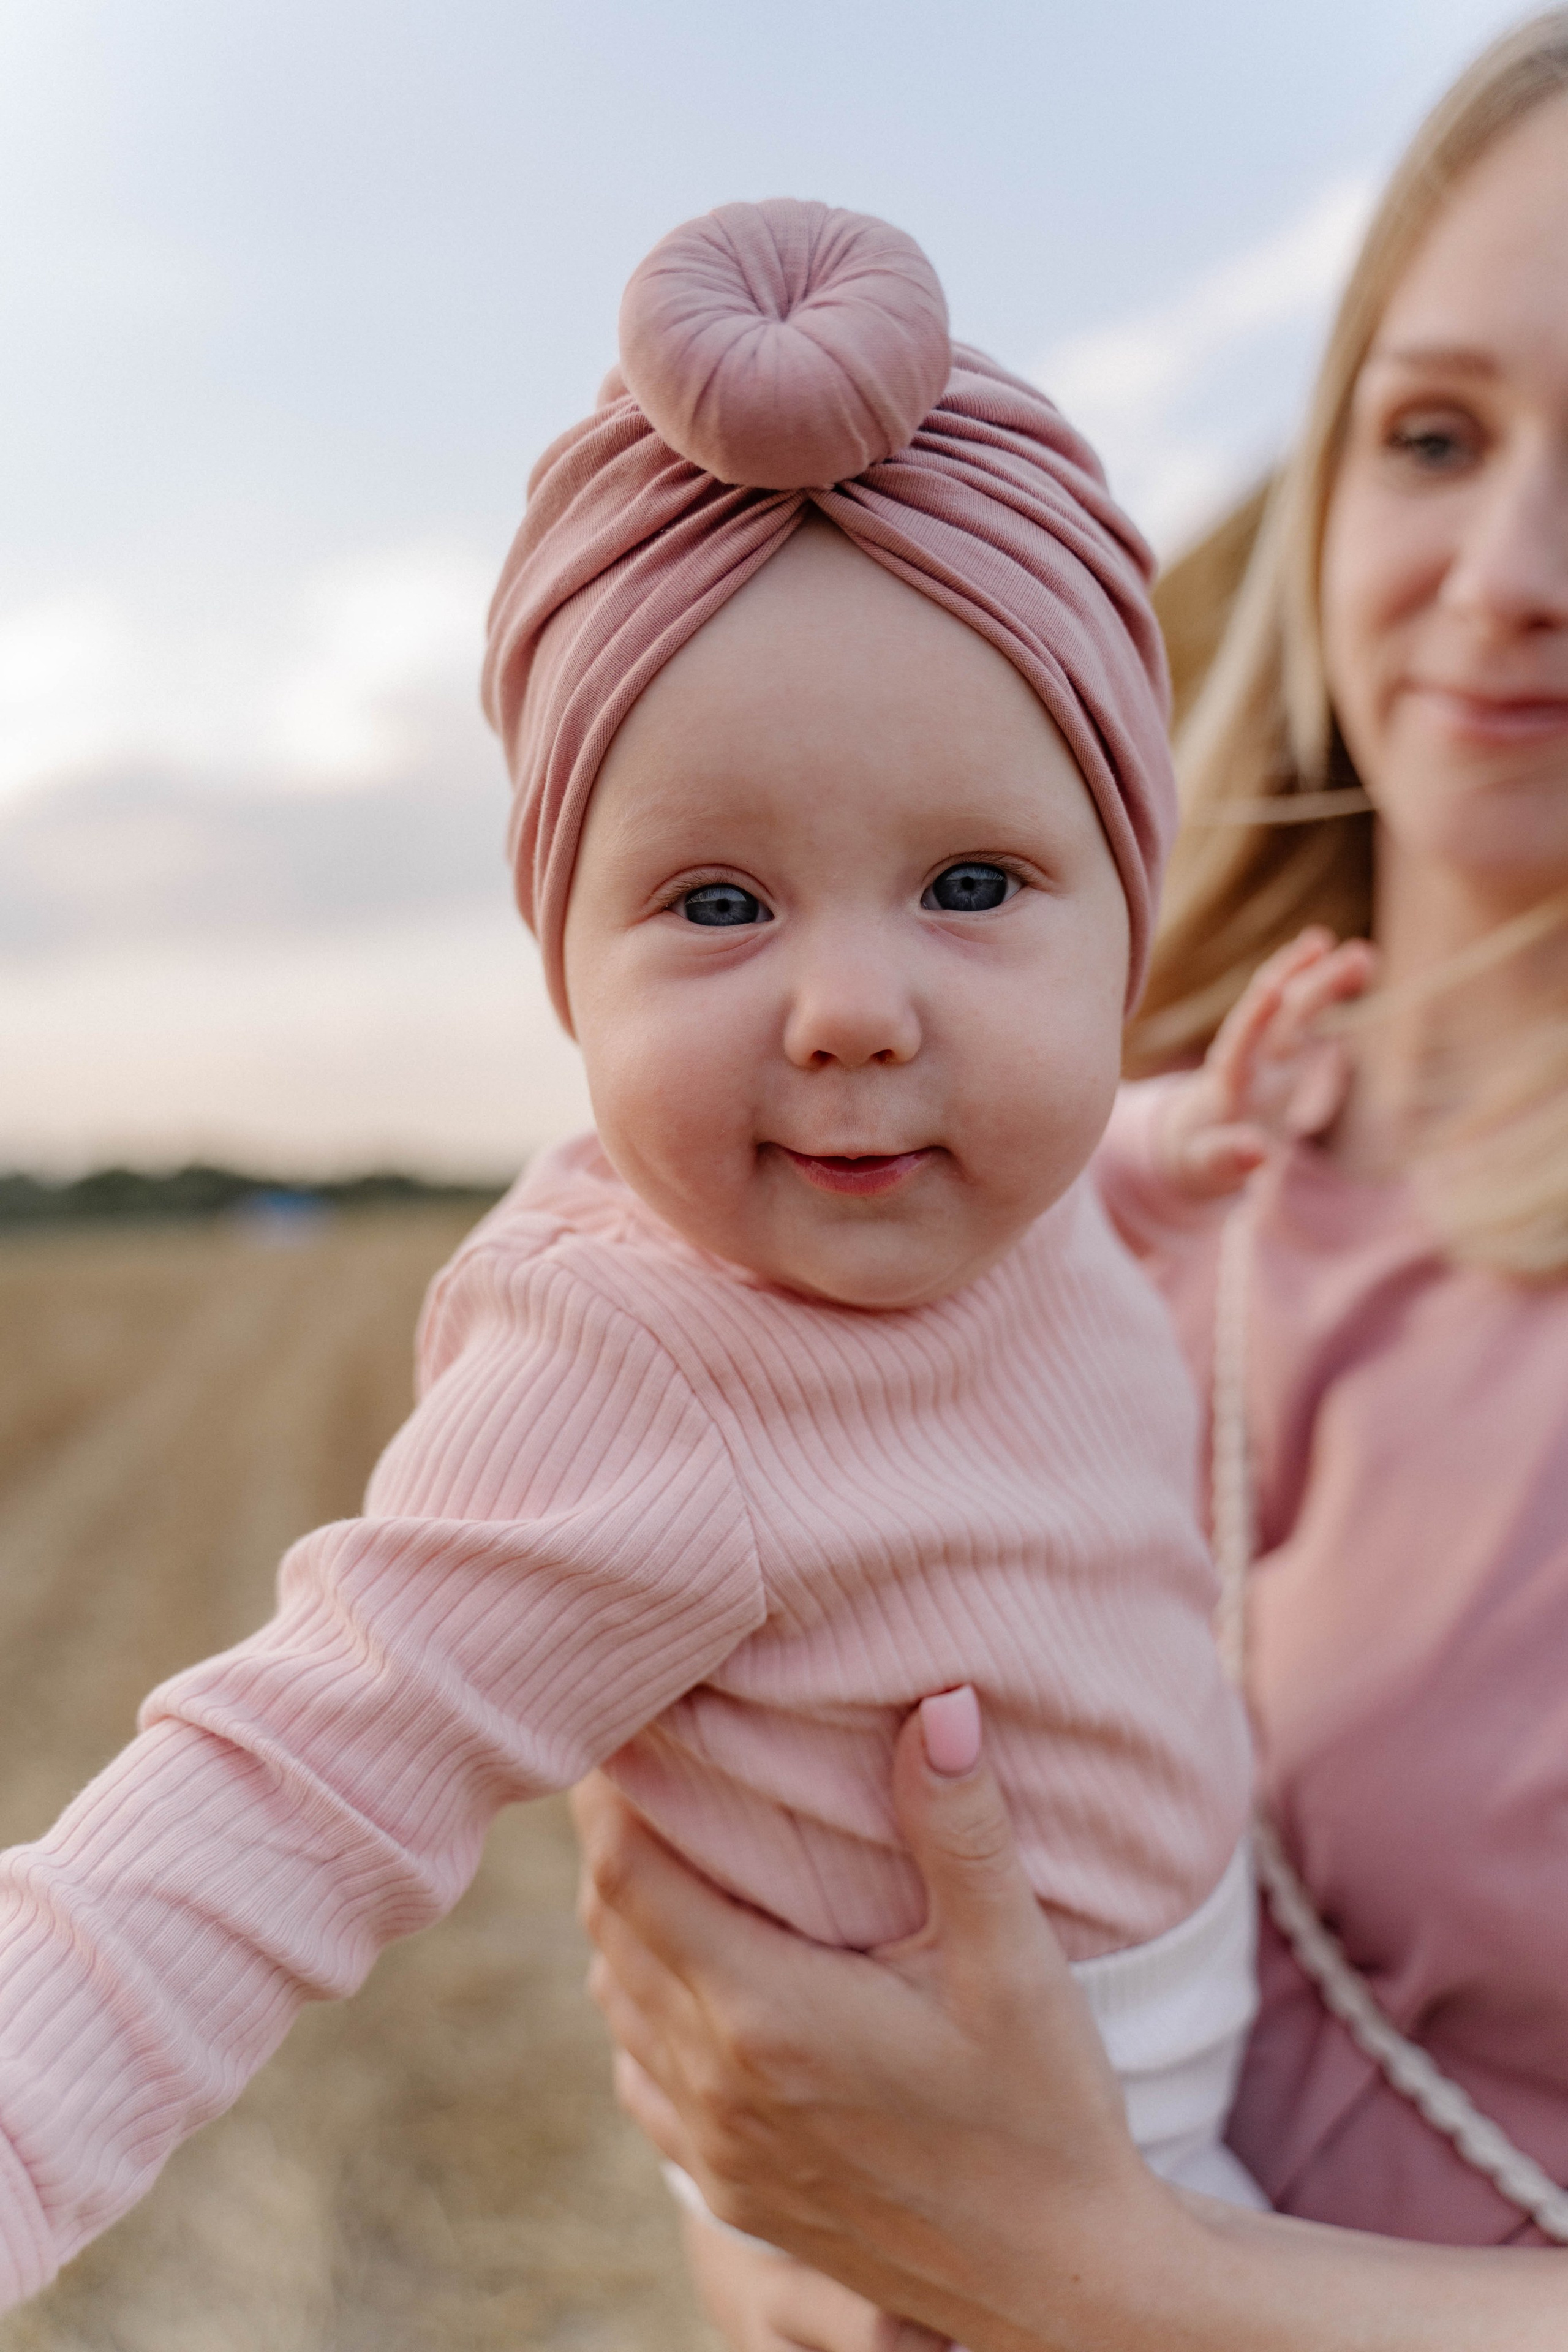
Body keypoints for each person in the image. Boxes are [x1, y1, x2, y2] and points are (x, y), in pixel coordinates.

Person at [0, 198, 1270, 2307]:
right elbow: (294, 1772)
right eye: (714, 904)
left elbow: (1071, 1205)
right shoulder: (643, 1369)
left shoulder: (1001, 1185)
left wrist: (1193, 1134)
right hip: (949, 2223)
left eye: (970, 882)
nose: (854, 1006)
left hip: (1177, 2099)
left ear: (1123, 922)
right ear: (563, 972)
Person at [572, 10, 1568, 2345]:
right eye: (1435, 433)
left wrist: (1094, 2279)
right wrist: (778, 2201)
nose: (1509, 566)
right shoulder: (1004, 1188)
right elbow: (764, 2040)